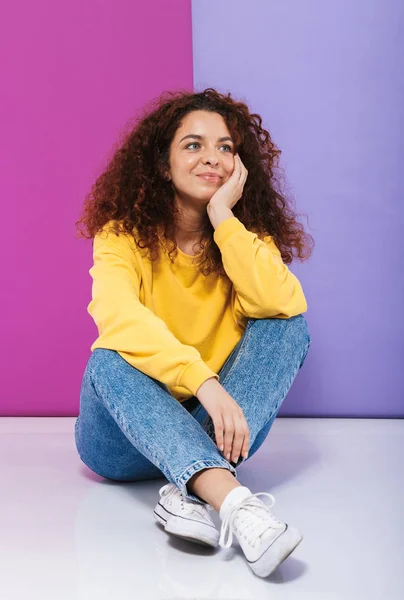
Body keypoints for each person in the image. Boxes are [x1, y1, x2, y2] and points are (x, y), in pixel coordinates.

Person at [74, 87, 314, 578]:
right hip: (120, 440)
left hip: (215, 429)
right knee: (109, 356)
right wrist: (203, 381)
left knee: (286, 328)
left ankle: (186, 488)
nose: (213, 159)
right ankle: (237, 506)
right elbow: (118, 317)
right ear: (162, 165)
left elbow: (285, 306)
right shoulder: (121, 236)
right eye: (193, 145)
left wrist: (223, 218)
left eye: (226, 147)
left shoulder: (244, 241)